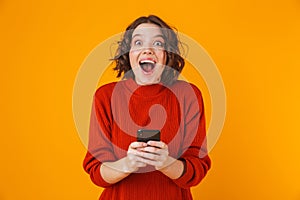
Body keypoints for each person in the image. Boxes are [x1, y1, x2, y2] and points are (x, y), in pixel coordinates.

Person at [83, 15, 211, 200]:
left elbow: (196, 169)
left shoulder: (188, 95)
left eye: (158, 44)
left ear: (167, 54)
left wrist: (165, 163)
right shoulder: (106, 97)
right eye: (138, 43)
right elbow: (96, 171)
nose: (148, 50)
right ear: (128, 54)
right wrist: (128, 163)